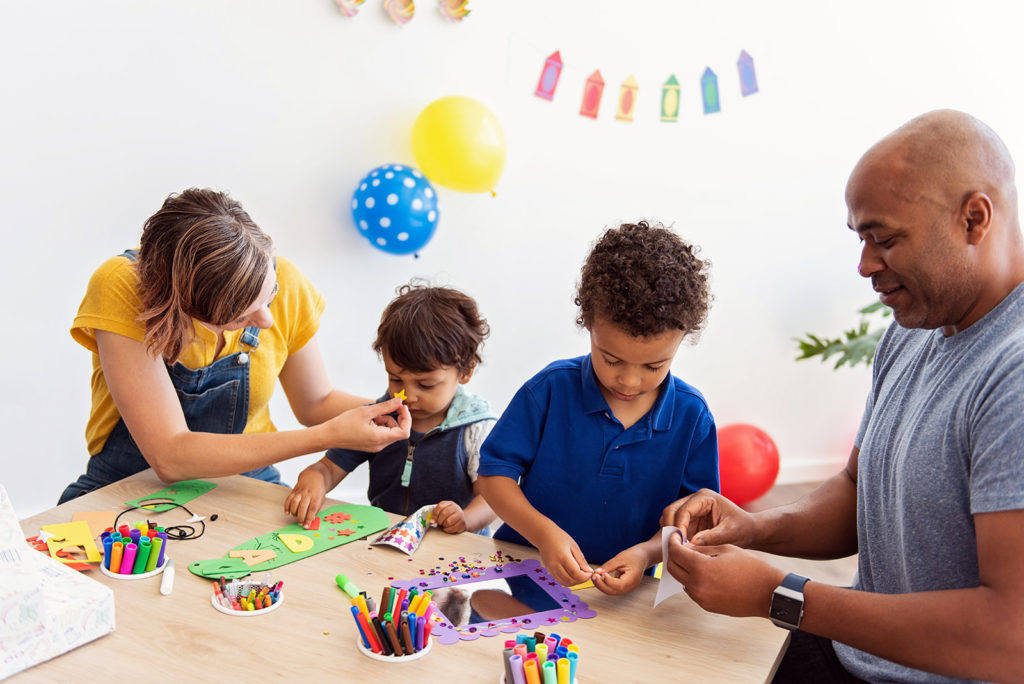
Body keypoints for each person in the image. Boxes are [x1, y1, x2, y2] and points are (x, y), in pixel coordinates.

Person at [662, 110, 1024, 683]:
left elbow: (1011, 636)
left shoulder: (1014, 372)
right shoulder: (913, 331)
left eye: (884, 239)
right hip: (859, 659)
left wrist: (780, 595)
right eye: (861, 239)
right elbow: (861, 492)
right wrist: (754, 529)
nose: (864, 266)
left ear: (974, 219)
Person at [59, 188, 410, 504]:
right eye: (240, 317)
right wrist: (327, 437)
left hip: (247, 480)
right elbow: (169, 455)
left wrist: (403, 410)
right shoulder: (124, 287)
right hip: (134, 480)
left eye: (268, 296)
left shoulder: (287, 279)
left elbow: (315, 402)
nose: (266, 321)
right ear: (185, 305)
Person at [478, 220, 719, 593]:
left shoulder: (692, 418)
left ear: (680, 342)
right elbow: (494, 478)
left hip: (623, 592)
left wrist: (645, 554)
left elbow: (691, 521)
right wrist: (544, 535)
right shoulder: (549, 390)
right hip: (522, 569)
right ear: (588, 326)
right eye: (611, 359)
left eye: (654, 366)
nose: (629, 381)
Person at [285, 281, 498, 535]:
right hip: (387, 538)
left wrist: (466, 519)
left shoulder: (477, 428)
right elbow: (329, 468)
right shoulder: (379, 416)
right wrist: (315, 478)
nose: (407, 395)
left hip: (452, 548)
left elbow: (492, 499)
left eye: (426, 384)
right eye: (396, 379)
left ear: (465, 371)